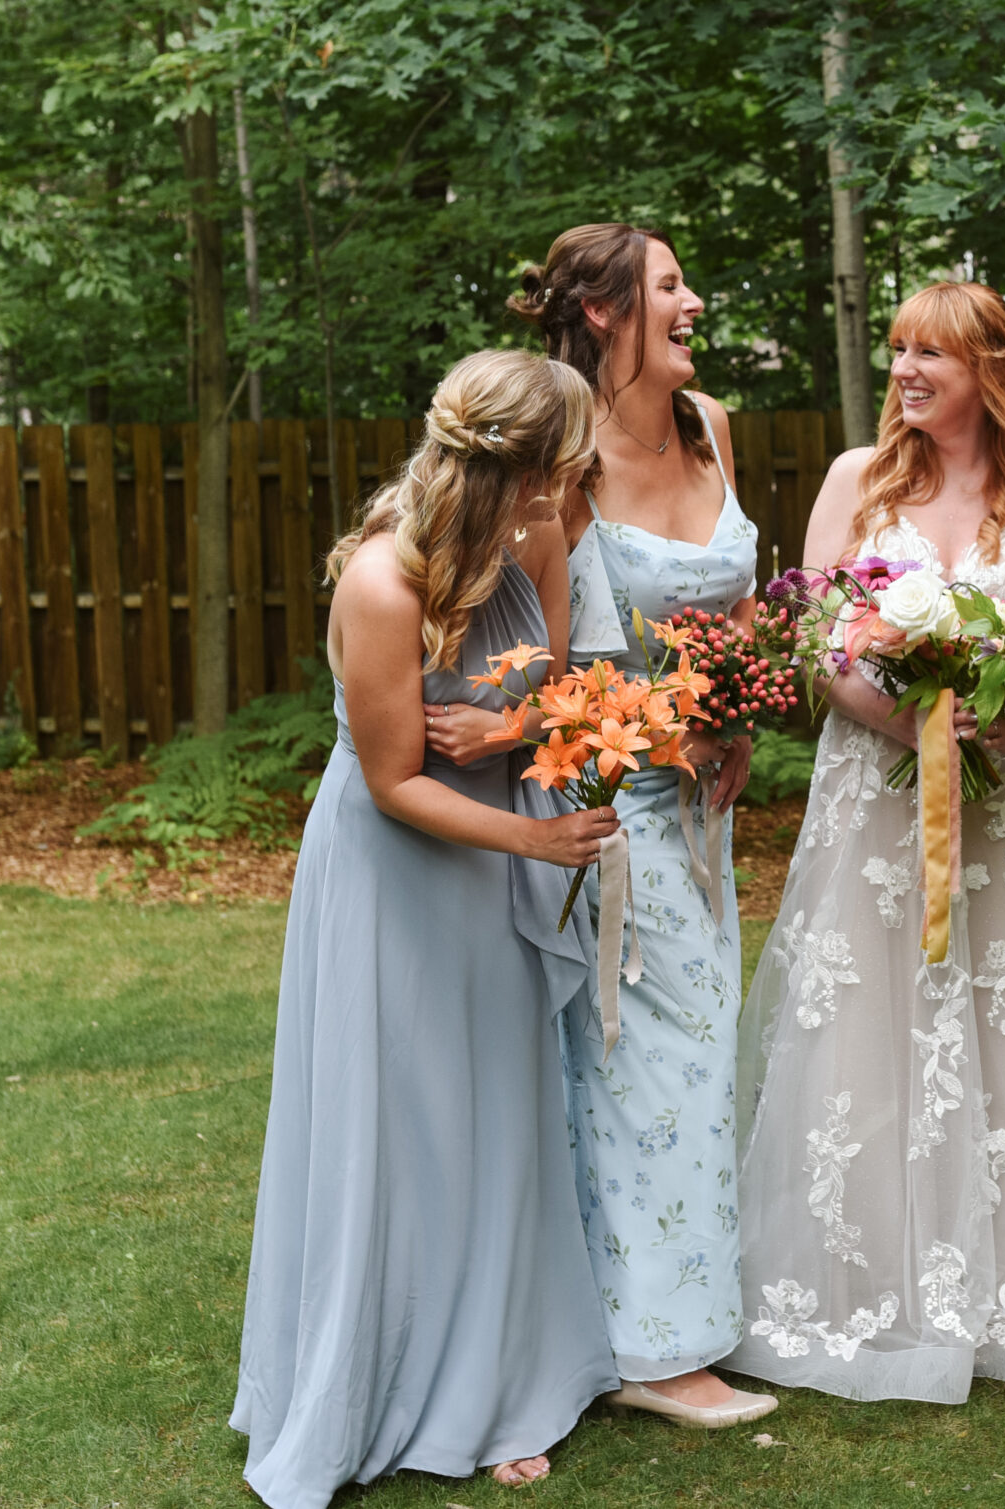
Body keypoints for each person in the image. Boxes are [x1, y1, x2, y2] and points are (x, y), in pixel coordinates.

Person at [726, 281, 1005, 1401]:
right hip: (879, 797)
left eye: (933, 354)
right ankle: (873, 1266)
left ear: (991, 372)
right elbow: (821, 644)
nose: (907, 371)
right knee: (874, 1011)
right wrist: (911, 721)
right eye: (900, 350)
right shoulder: (856, 480)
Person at [232, 351, 620, 1506]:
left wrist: (510, 732)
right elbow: (395, 781)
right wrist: (540, 841)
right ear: (524, 467)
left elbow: (555, 681)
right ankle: (378, 1379)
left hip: (493, 845)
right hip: (398, 872)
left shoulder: (538, 532)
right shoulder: (380, 580)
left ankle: (501, 1380)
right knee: (400, 1123)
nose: (581, 475)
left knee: (496, 1114)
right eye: (569, 458)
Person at [503, 222, 772, 1426]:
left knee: (697, 1048)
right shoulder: (565, 453)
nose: (693, 300)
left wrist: (741, 710)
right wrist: (663, 738)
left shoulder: (710, 423)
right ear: (607, 311)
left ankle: (667, 1311)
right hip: (606, 801)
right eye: (669, 285)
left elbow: (740, 606)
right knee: (645, 1053)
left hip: (705, 806)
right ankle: (654, 1350)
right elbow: (552, 655)